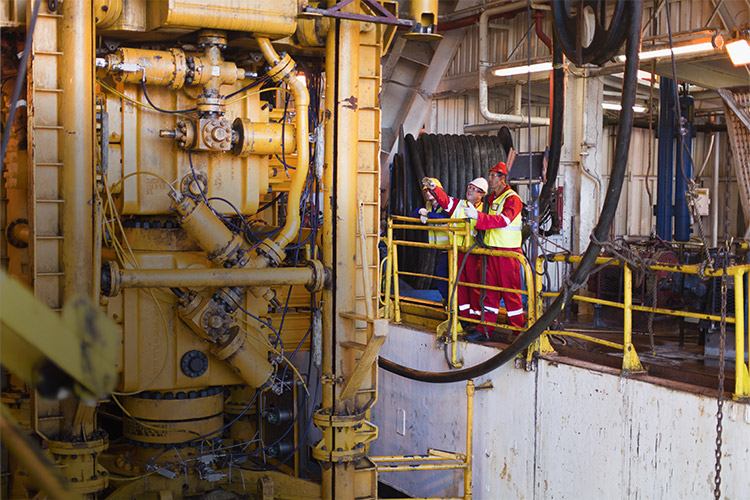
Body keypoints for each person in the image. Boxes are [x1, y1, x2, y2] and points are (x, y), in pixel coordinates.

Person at [464, 161, 524, 338]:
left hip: (508, 254)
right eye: (490, 175)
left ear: (502, 179)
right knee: (490, 293)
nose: (489, 179)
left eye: (493, 176)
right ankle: (485, 329)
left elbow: (505, 220)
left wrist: (479, 217)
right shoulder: (492, 199)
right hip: (492, 252)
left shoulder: (513, 199)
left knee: (511, 294)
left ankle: (518, 331)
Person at [422, 176, 488, 333]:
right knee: (460, 287)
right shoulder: (459, 205)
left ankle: (475, 321)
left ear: (482, 194)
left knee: (474, 287)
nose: (469, 190)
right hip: (458, 252)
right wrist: (433, 188)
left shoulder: (485, 209)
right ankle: (463, 318)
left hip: (475, 254)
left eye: (474, 189)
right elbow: (445, 200)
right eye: (469, 187)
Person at [411, 179, 450, 303]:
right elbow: (413, 214)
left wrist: (427, 215)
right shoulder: (429, 205)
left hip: (451, 246)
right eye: (426, 190)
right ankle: (448, 301)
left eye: (430, 190)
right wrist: (421, 213)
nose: (427, 193)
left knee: (444, 275)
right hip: (441, 248)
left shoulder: (446, 203)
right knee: (443, 276)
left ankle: (451, 301)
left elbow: (444, 218)